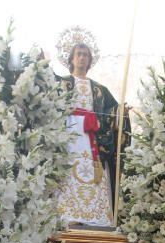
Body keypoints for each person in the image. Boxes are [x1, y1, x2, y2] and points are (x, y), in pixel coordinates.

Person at [57, 40, 130, 226]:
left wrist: (121, 113)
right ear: (72, 59)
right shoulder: (61, 83)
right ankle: (69, 212)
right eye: (79, 54)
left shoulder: (100, 89)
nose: (82, 58)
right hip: (69, 133)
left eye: (85, 55)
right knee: (69, 170)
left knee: (93, 171)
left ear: (89, 61)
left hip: (93, 136)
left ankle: (94, 216)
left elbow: (111, 112)